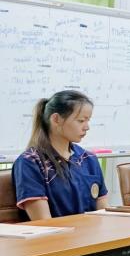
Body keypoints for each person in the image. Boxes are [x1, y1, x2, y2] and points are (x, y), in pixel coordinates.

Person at [12, 90, 108, 219]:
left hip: (91, 231)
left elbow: (103, 215)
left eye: (88, 120)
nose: (87, 127)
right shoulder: (30, 162)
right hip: (57, 232)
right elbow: (44, 222)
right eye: (81, 121)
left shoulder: (89, 159)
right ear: (56, 119)